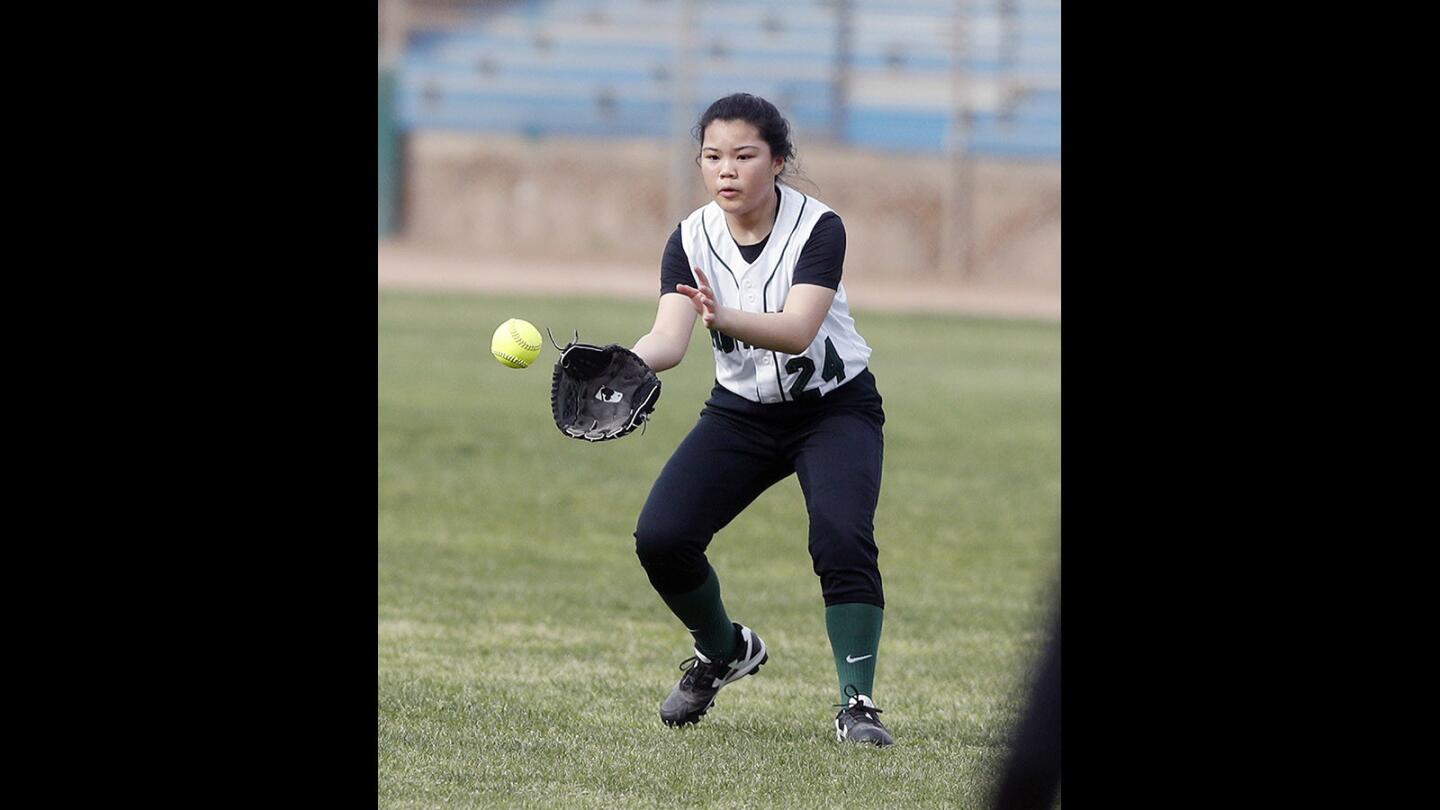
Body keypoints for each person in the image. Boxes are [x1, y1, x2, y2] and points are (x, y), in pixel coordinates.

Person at [629, 93, 893, 746]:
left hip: (835, 410)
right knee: (661, 537)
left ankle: (857, 704)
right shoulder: (690, 238)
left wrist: (724, 317)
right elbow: (669, 339)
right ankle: (723, 651)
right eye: (712, 156)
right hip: (741, 415)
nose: (727, 170)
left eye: (744, 155)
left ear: (776, 160)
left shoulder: (817, 227)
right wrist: (621, 364)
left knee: (840, 536)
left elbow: (799, 329)